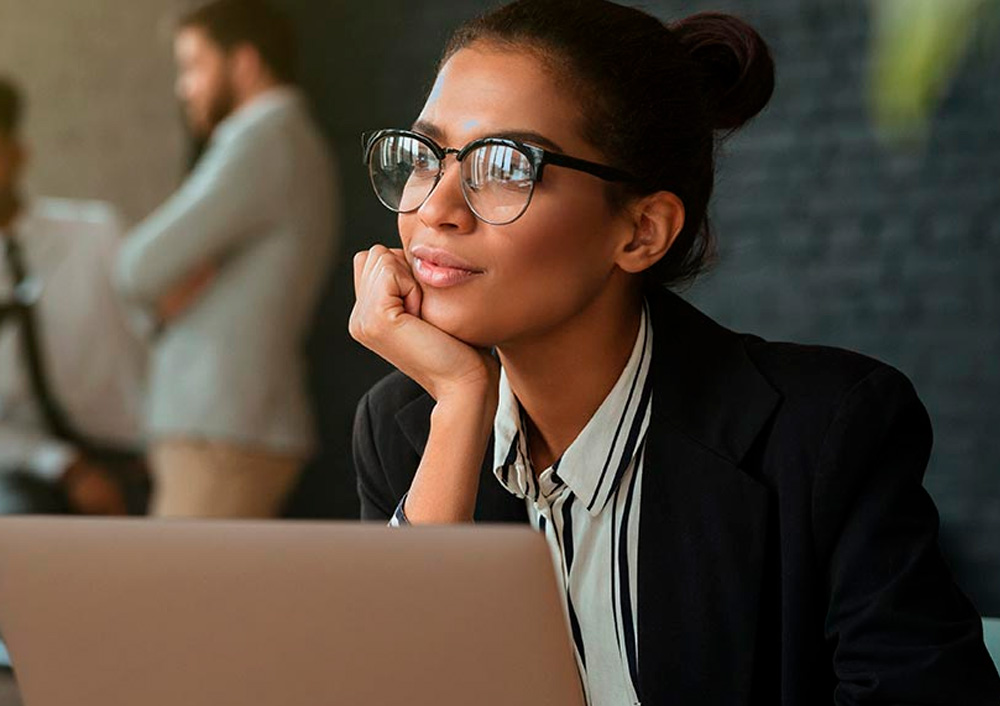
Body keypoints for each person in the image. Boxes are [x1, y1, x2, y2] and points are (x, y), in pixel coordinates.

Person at [349, 1, 1000, 704]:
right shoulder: (406, 429)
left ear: (642, 232)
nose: (435, 208)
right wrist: (459, 407)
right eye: (425, 157)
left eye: (506, 166)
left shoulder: (824, 436)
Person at [115, 0, 337, 518]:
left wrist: (165, 291)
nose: (183, 87)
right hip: (234, 423)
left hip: (221, 427)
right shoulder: (287, 140)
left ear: (244, 62)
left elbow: (137, 267)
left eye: (193, 66)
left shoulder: (262, 139)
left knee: (174, 596)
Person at [0, 76, 147, 516]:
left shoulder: (96, 232)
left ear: (18, 153)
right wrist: (66, 467)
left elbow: (158, 338)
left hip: (138, 459)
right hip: (28, 470)